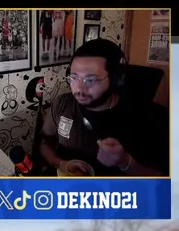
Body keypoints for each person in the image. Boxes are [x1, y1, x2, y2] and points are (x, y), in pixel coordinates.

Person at [38, 39, 168, 177]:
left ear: (116, 79)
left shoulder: (151, 117)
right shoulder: (63, 103)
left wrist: (125, 162)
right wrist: (60, 163)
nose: (79, 89)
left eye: (91, 80)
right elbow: (45, 143)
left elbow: (163, 179)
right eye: (74, 77)